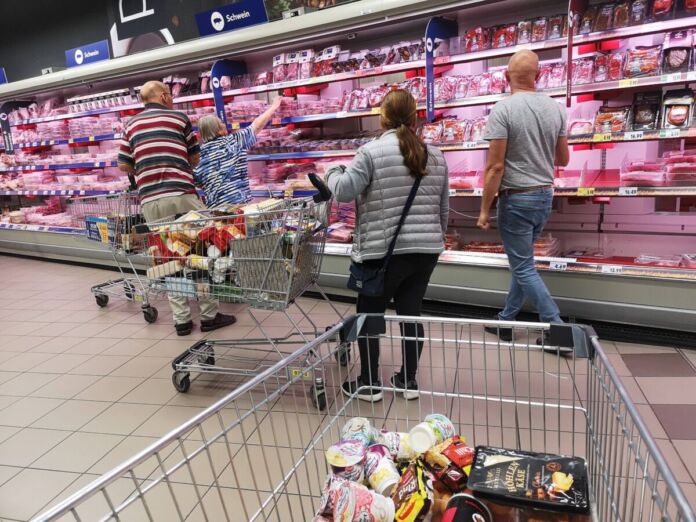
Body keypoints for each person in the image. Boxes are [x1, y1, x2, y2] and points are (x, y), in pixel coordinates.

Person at [326, 89, 449, 402]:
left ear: (383, 117)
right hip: (425, 251)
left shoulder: (371, 152)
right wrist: (433, 240)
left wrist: (333, 171)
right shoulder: (435, 154)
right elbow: (443, 209)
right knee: (411, 314)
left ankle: (369, 383)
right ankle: (407, 381)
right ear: (414, 116)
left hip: (382, 253)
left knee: (370, 314)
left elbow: (342, 191)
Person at [117, 80, 236, 336]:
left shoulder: (130, 125)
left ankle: (182, 320)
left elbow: (124, 165)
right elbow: (194, 158)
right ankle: (208, 316)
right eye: (169, 95)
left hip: (150, 201)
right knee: (201, 254)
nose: (171, 98)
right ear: (163, 96)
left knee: (168, 259)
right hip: (181, 196)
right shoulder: (180, 118)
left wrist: (145, 170)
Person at [477, 50, 570, 342]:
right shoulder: (556, 109)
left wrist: (483, 210)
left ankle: (556, 328)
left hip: (516, 199)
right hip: (544, 195)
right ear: (539, 76)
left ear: (506, 77)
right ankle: (506, 320)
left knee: (523, 266)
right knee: (523, 262)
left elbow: (495, 166)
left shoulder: (502, 110)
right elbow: (563, 159)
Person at [194, 97, 285, 207]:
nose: (224, 125)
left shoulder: (198, 156)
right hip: (238, 206)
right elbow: (256, 126)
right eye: (221, 123)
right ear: (218, 129)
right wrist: (273, 107)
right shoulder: (234, 141)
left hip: (215, 210)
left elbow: (197, 182)